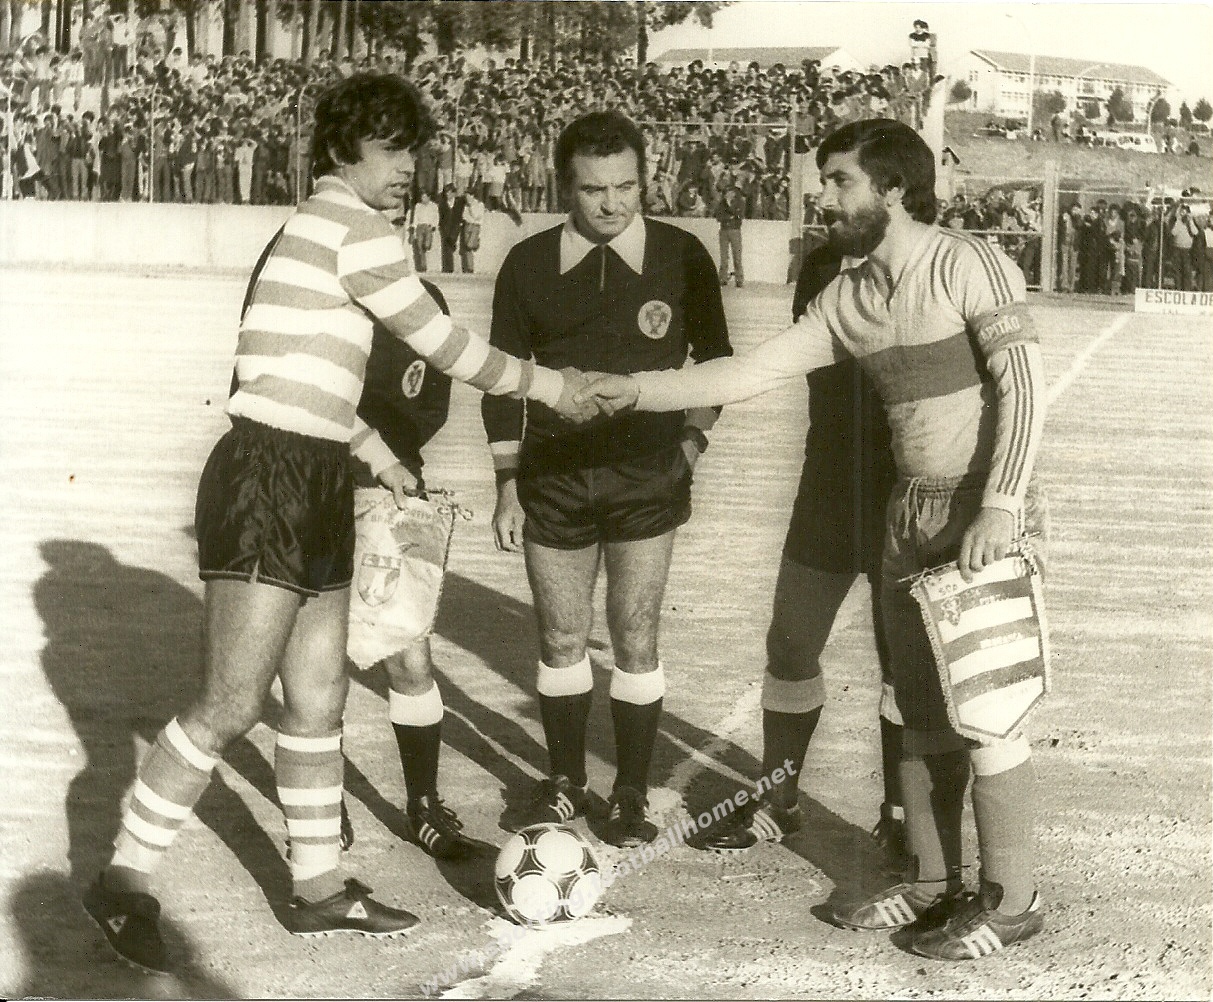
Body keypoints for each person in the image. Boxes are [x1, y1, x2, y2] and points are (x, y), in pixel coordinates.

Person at [81, 72, 594, 976]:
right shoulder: (353, 228)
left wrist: (379, 455)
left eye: (413, 150)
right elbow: (445, 346)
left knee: (319, 700)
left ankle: (317, 888)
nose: (407, 168)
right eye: (390, 149)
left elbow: (296, 368)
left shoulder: (318, 230)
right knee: (230, 703)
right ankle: (122, 879)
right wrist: (552, 386)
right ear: (341, 152)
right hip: (267, 478)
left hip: (315, 472)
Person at [581, 119, 1049, 961]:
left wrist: (1002, 505)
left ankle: (1014, 899)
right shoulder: (850, 295)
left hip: (979, 505)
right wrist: (636, 389)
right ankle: (931, 885)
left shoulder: (966, 263)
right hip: (907, 510)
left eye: (839, 181)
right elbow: (748, 372)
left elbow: (1023, 384)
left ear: (891, 190)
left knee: (986, 711)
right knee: (917, 708)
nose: (821, 195)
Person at [481, 110, 733, 848]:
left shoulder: (681, 255)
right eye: (593, 189)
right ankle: (565, 782)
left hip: (648, 474)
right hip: (553, 475)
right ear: (566, 187)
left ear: (643, 180)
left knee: (635, 634)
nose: (611, 203)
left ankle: (629, 791)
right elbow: (500, 380)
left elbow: (717, 364)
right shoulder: (528, 264)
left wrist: (690, 447)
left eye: (625, 186)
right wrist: (506, 482)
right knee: (561, 635)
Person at [694, 240, 906, 869]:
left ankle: (902, 815)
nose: (830, 200)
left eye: (843, 190)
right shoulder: (819, 264)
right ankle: (777, 800)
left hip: (906, 485)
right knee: (790, 643)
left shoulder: (929, 260)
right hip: (830, 482)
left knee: (903, 661)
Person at [715, 180, 746, 287]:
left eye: (730, 192)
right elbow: (718, 217)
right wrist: (730, 217)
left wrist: (729, 207)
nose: (728, 194)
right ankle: (722, 278)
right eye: (726, 192)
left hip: (735, 230)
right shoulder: (721, 203)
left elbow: (739, 215)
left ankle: (739, 279)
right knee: (724, 256)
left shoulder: (739, 202)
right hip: (724, 230)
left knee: (737, 256)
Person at [409, 188, 439, 273]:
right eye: (422, 197)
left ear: (429, 197)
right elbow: (415, 217)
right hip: (420, 226)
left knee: (426, 245)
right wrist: (414, 227)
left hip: (428, 226)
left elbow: (436, 217)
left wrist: (433, 225)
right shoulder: (418, 206)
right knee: (419, 246)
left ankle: (427, 245)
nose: (423, 199)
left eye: (425, 197)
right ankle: (423, 266)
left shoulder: (434, 206)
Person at [437, 182, 464, 273]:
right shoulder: (443, 204)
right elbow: (441, 216)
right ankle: (448, 268)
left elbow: (460, 214)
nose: (447, 194)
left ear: (453, 193)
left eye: (449, 192)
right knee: (446, 246)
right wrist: (441, 226)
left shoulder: (459, 203)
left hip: (455, 227)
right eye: (446, 193)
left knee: (450, 243)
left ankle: (448, 268)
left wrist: (460, 223)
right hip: (445, 227)